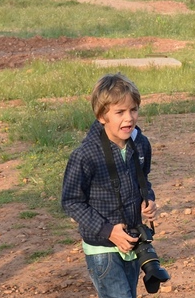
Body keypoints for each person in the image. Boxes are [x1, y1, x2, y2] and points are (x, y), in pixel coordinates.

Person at [62, 73, 170, 298]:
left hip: (131, 243)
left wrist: (147, 198)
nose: (128, 118)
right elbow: (71, 201)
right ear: (102, 116)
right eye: (119, 112)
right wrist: (109, 231)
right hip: (103, 247)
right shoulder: (86, 155)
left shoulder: (140, 144)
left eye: (133, 110)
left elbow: (144, 179)